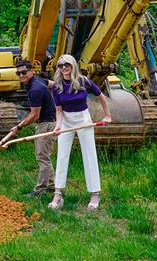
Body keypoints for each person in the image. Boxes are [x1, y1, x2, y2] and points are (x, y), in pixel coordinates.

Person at [48, 54, 112, 211]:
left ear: (73, 65)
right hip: (66, 121)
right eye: (60, 65)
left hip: (83, 119)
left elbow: (101, 96)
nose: (64, 68)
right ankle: (57, 194)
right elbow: (59, 110)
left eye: (66, 64)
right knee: (62, 155)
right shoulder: (57, 86)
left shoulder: (84, 81)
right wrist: (58, 126)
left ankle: (95, 194)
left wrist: (107, 115)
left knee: (89, 154)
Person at [11, 60, 56, 198]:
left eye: (24, 72)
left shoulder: (35, 89)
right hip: (47, 121)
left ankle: (40, 190)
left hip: (46, 124)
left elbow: (34, 115)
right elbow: (54, 85)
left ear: (31, 71)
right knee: (44, 155)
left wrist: (19, 126)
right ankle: (52, 185)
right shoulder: (38, 81)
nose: (21, 75)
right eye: (18, 73)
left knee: (42, 157)